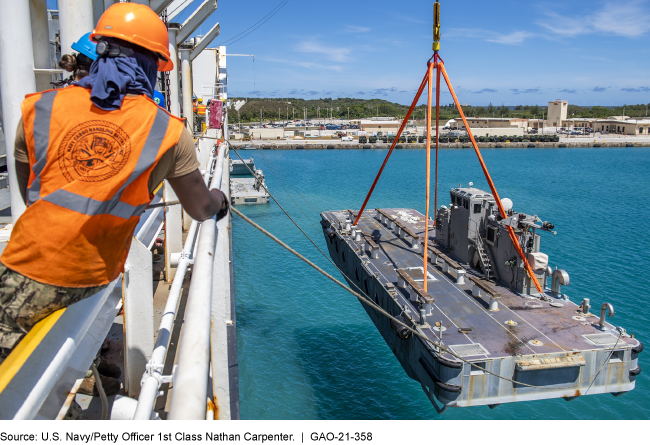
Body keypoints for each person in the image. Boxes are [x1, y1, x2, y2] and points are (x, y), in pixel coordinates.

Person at [0, 2, 228, 365]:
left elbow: (32, 193)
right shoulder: (168, 130)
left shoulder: (38, 108)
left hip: (27, 265)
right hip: (95, 273)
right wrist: (220, 200)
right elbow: (201, 209)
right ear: (152, 64)